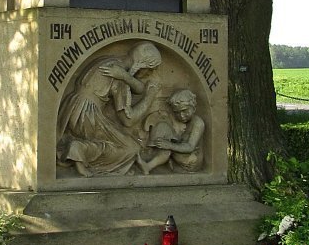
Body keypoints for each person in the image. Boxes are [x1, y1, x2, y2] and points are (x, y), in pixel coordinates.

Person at [58, 43, 164, 175]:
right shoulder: (118, 76)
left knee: (119, 140)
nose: (150, 73)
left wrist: (128, 78)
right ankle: (79, 149)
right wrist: (150, 96)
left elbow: (138, 88)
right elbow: (128, 120)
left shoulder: (108, 61)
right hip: (88, 116)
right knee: (131, 148)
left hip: (70, 109)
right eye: (150, 69)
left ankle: (78, 149)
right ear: (141, 65)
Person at [139, 88, 205, 173]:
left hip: (191, 161)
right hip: (181, 154)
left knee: (166, 147)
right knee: (163, 127)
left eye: (184, 111)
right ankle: (152, 154)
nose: (181, 115)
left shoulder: (198, 123)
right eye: (177, 112)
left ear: (194, 108)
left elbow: (190, 147)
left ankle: (149, 166)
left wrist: (169, 145)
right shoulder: (184, 122)